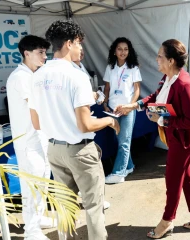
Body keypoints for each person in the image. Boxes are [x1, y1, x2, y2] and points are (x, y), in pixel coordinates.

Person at [28, 20, 120, 240]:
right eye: (79, 43)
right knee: (94, 207)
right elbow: (85, 125)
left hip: (54, 150)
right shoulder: (76, 76)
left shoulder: (37, 76)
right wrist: (109, 122)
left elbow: (37, 123)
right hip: (80, 151)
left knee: (64, 207)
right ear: (69, 43)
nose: (81, 49)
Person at [115, 39, 190, 239]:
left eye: (160, 56)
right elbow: (156, 96)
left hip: (183, 139)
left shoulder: (183, 84)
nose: (156, 59)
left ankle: (167, 221)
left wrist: (163, 121)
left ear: (172, 60)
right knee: (188, 176)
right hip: (175, 136)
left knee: (173, 179)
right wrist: (135, 105)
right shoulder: (168, 78)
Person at [6, 35, 55, 240]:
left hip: (40, 138)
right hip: (28, 141)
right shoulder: (20, 77)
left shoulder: (33, 74)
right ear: (26, 53)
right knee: (31, 185)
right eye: (40, 52)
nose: (44, 56)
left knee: (42, 182)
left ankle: (39, 218)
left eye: (45, 52)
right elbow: (38, 106)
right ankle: (31, 231)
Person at [72, 49, 111, 211]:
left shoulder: (81, 68)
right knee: (87, 167)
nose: (81, 52)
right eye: (77, 47)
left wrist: (94, 95)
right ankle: (94, 201)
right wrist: (109, 120)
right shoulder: (71, 72)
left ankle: (89, 196)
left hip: (85, 119)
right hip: (78, 128)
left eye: (82, 50)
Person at [103, 37, 142, 184]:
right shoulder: (110, 67)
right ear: (114, 51)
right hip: (113, 108)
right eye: (120, 49)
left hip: (127, 109)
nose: (123, 52)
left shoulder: (133, 68)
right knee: (119, 140)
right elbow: (107, 88)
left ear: (129, 51)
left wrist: (130, 106)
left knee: (124, 142)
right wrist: (105, 103)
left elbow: (137, 90)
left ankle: (118, 173)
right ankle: (129, 166)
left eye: (126, 49)